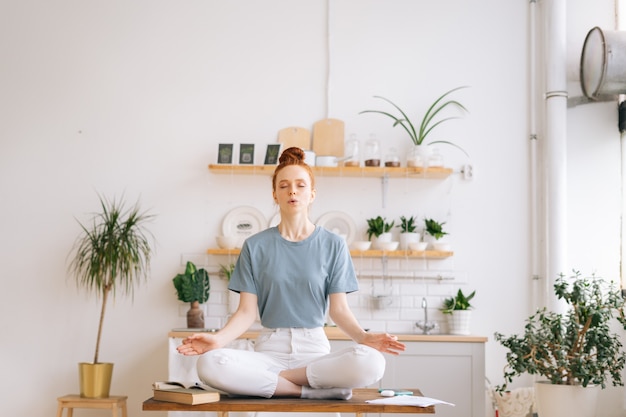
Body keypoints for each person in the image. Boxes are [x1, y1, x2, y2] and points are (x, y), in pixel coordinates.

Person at [177, 147, 405, 400]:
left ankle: (278, 383)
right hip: (268, 351)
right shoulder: (255, 246)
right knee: (209, 364)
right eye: (284, 186)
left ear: (312, 194)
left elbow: (338, 310)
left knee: (372, 362)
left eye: (300, 185)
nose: (292, 191)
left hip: (315, 352)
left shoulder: (333, 244)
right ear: (275, 194)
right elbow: (246, 312)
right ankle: (312, 392)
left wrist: (363, 337)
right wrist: (217, 340)